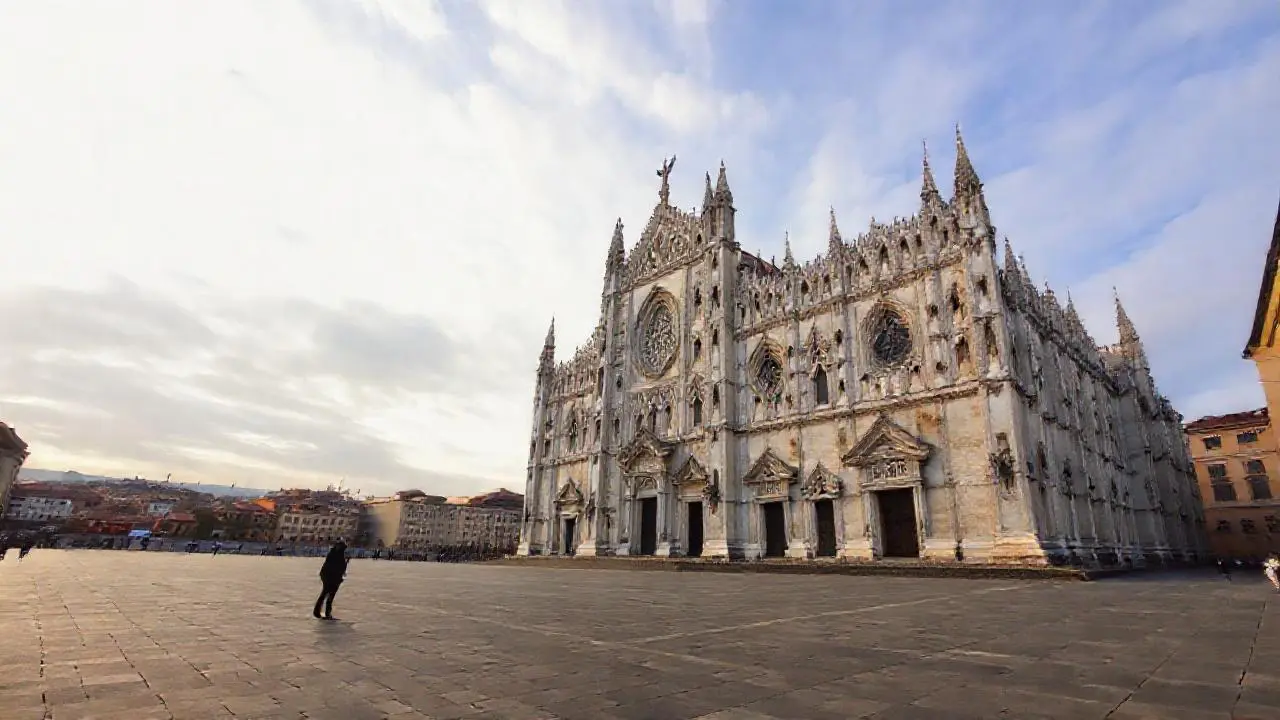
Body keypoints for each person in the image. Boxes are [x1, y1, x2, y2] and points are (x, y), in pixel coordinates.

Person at [314, 539, 348, 619]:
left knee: (328, 595)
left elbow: (340, 568)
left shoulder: (336, 554)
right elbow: (336, 567)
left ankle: (323, 612)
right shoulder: (335, 554)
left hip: (332, 577)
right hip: (331, 578)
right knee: (327, 595)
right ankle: (322, 613)